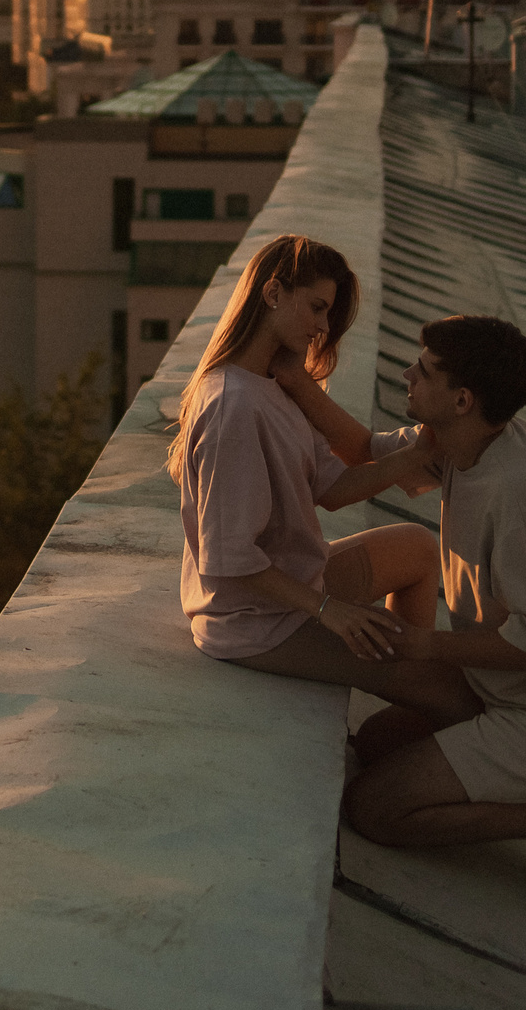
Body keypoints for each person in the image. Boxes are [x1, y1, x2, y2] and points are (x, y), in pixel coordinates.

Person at [295, 314, 526, 924]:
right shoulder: (463, 442)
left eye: (424, 370)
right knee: (377, 744)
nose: (408, 374)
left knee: (376, 809)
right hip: (514, 694)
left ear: (462, 399)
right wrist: (291, 377)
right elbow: (362, 454)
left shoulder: (518, 494)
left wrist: (424, 645)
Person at [172, 235, 479, 731]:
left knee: (419, 547)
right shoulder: (234, 405)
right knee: (447, 684)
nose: (321, 327)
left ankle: (404, 703)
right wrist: (328, 611)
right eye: (317, 308)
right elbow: (228, 557)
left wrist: (418, 454)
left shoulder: (272, 386)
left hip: (294, 584)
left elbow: (333, 488)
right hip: (255, 622)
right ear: (272, 293)